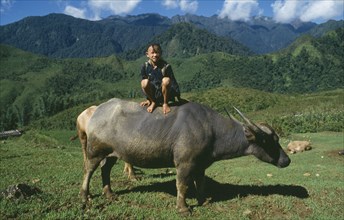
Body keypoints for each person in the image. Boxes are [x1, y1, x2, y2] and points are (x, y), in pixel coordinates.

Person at [140, 44, 181, 114]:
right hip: (153, 94)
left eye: (157, 52)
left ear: (161, 53)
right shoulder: (145, 66)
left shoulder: (166, 66)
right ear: (147, 54)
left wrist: (178, 98)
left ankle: (165, 103)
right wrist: (148, 99)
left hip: (164, 94)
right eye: (152, 53)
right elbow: (145, 85)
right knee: (144, 82)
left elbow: (173, 82)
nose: (155, 55)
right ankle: (153, 102)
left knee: (166, 80)